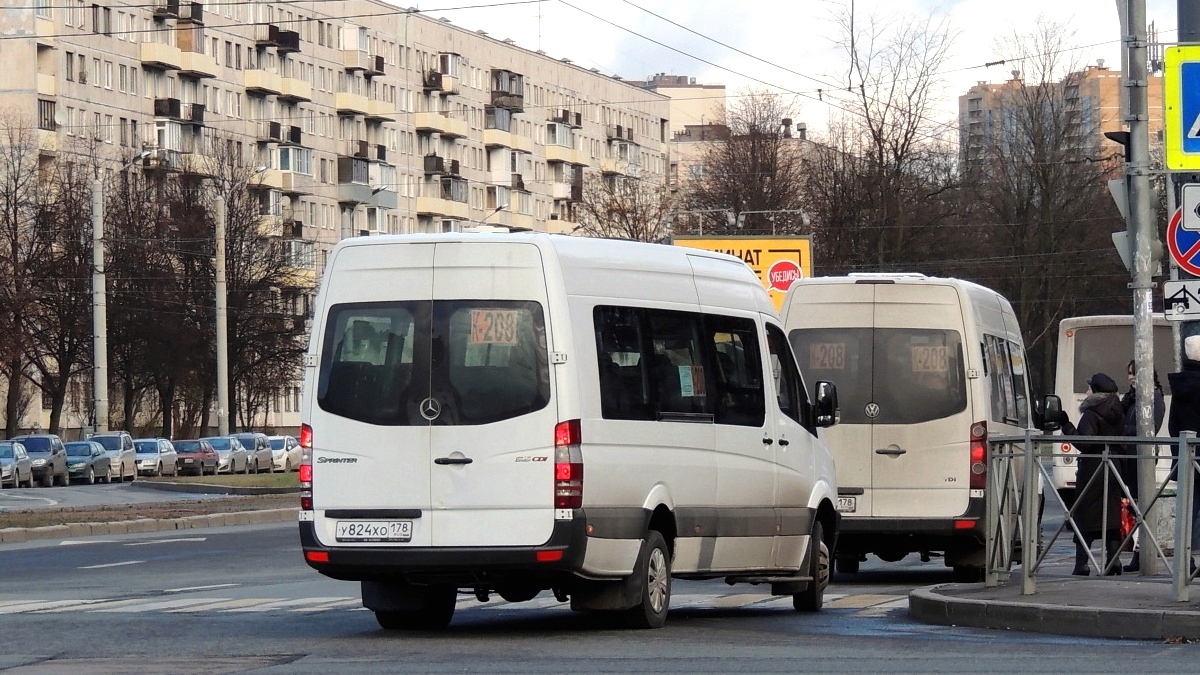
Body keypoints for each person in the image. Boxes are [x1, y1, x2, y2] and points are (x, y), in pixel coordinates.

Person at [1058, 372, 1126, 576]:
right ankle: (1113, 562)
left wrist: (1066, 426)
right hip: (1114, 466)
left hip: (1092, 469)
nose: (1086, 392)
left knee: (1084, 514)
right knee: (1111, 513)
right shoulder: (1117, 410)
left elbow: (1084, 442)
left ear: (1096, 392)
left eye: (1089, 388)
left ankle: (1082, 564)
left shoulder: (1091, 413)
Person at [1120, 361, 1166, 572]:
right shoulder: (1131, 398)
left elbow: (1150, 427)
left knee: (1141, 505)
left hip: (1142, 456)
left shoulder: (1153, 396)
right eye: (1129, 374)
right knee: (1134, 505)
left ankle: (1143, 554)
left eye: (1134, 374)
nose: (1131, 378)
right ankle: (1138, 553)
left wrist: (1123, 430)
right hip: (1129, 456)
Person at [1168, 335, 1200, 579]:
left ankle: (1184, 562)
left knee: (1188, 511)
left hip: (1187, 458)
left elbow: (1173, 425)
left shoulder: (1180, 387)